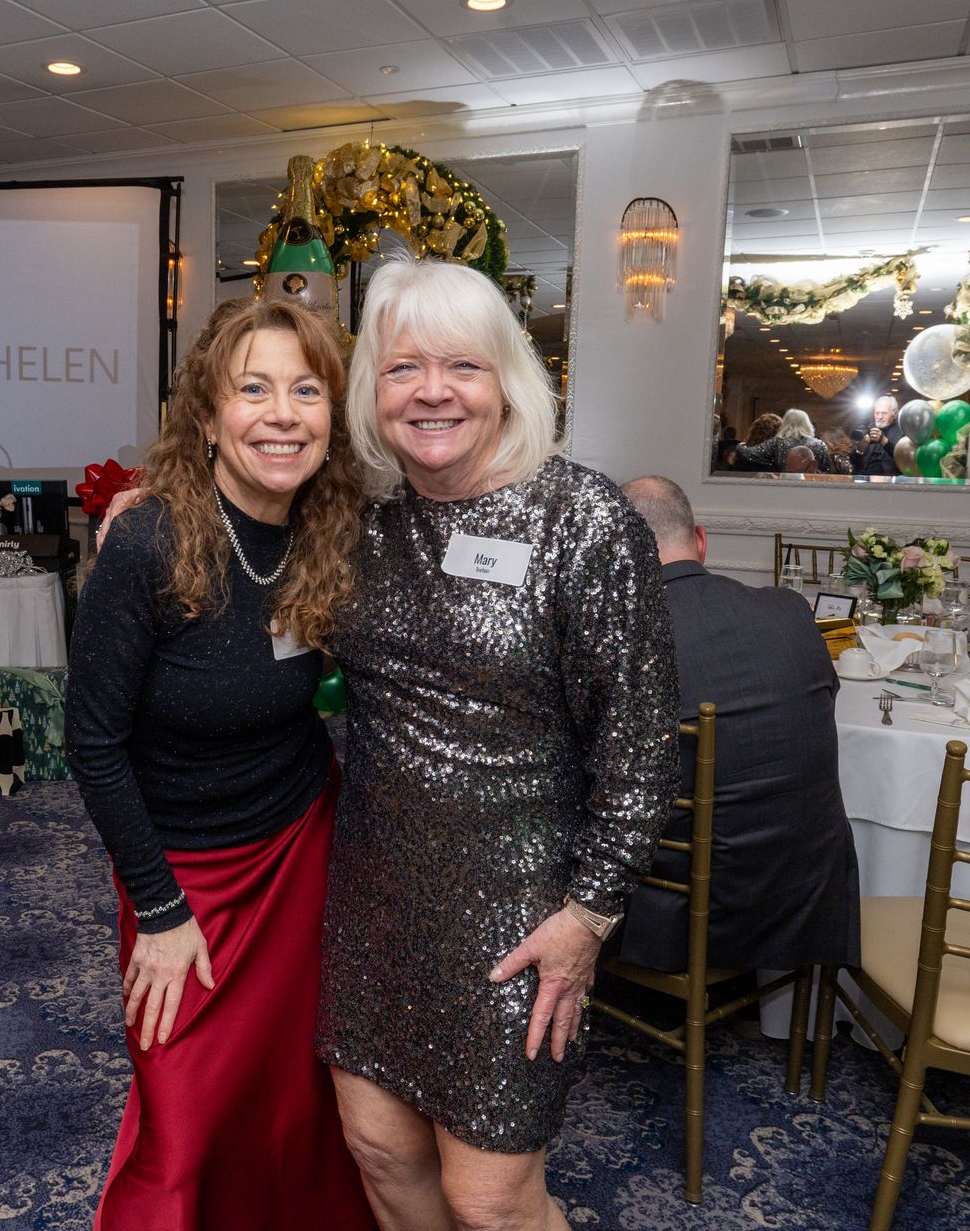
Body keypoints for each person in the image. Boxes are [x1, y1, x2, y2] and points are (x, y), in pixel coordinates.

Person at [319, 254, 678, 1231]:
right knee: (382, 1151)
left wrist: (589, 915)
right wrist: (147, 512)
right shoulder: (361, 519)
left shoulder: (585, 521)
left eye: (463, 366)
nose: (433, 390)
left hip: (519, 912)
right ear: (373, 392)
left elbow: (642, 746)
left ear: (508, 378)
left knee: (490, 1198)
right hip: (376, 897)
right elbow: (240, 513)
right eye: (403, 368)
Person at [66, 298, 375, 1230]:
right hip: (183, 875)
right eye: (253, 389)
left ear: (333, 415)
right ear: (207, 416)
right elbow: (92, 743)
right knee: (186, 1120)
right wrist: (158, 910)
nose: (282, 414)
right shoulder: (151, 542)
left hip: (298, 852)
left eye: (306, 390)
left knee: (297, 1099)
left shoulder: (338, 535)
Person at [615, 476, 861, 975]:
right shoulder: (791, 610)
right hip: (807, 891)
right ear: (700, 541)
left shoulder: (625, 636)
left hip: (689, 910)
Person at [770, 408, 833, 473]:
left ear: (785, 423)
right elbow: (827, 472)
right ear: (807, 423)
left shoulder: (775, 444)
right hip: (812, 482)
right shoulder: (819, 444)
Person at [851, 395, 900, 475]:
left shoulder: (900, 432)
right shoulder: (868, 429)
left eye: (884, 413)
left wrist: (885, 442)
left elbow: (903, 457)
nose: (879, 417)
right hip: (862, 479)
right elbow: (853, 461)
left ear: (894, 415)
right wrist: (859, 450)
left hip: (887, 481)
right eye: (877, 413)